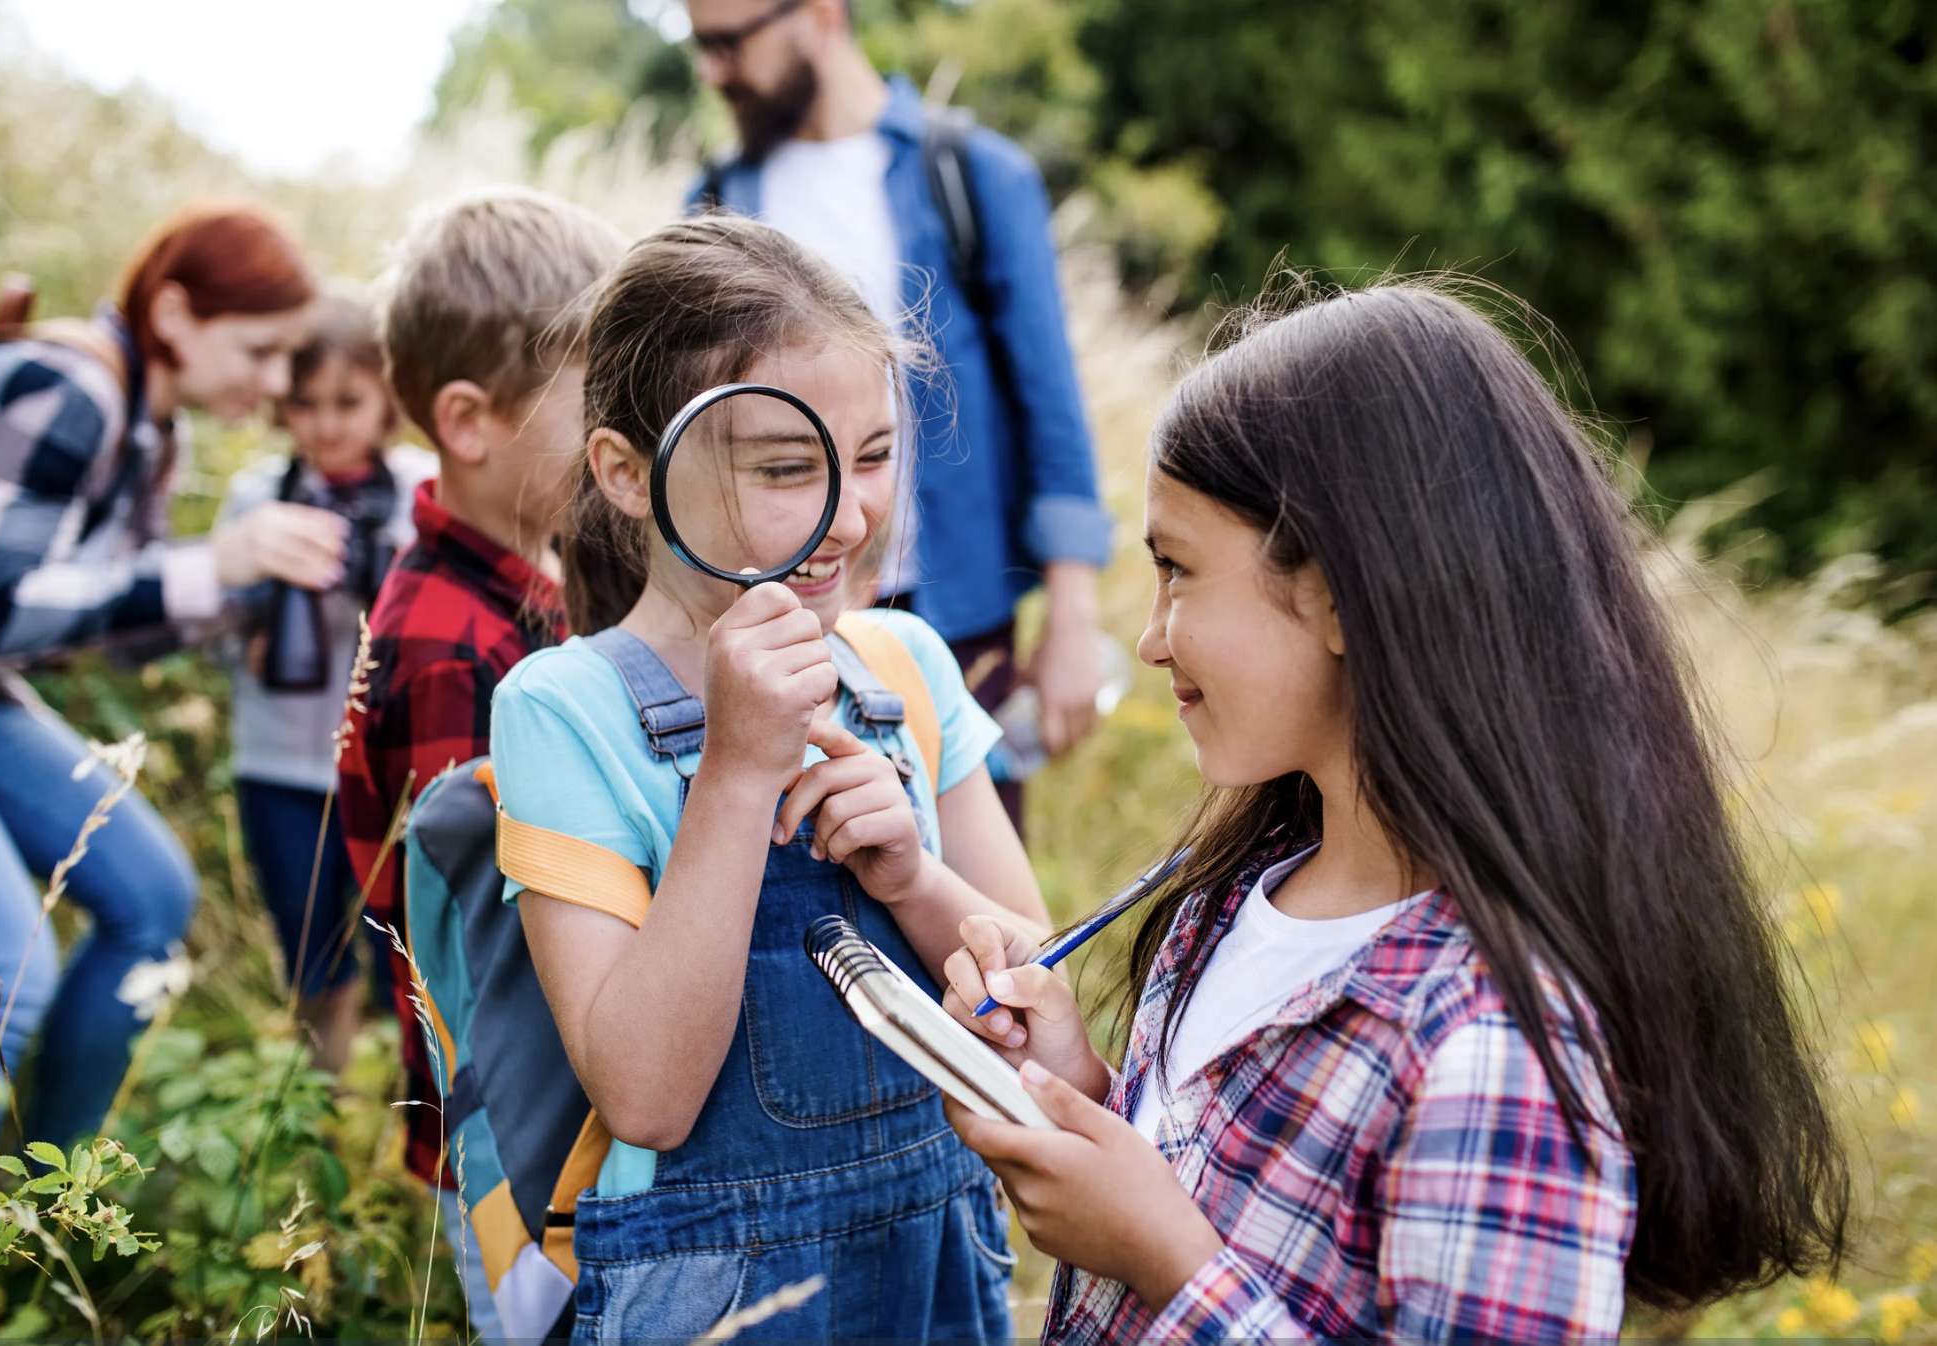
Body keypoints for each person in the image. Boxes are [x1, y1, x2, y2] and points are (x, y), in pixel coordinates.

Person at [940, 282, 1852, 1341]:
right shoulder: (1236, 898)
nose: (1149, 637)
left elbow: (1189, 1243)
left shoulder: (1494, 1044)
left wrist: (1165, 1262)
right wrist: (1081, 1094)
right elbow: (1233, 1189)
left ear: (1332, 590)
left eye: (1177, 571)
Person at [492, 215, 1047, 1341]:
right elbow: (645, 1093)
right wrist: (736, 773)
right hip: (715, 1298)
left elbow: (1031, 1003)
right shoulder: (561, 709)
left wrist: (911, 877)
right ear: (625, 474)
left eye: (879, 454)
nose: (850, 518)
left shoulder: (906, 664)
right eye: (790, 468)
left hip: (938, 1263)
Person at [0, 204, 341, 1155]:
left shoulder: (148, 430)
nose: (274, 381)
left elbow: (106, 630)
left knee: (152, 896)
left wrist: (247, 598)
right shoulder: (75, 388)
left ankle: (42, 1188)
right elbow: (7, 608)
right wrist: (213, 564)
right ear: (174, 315)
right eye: (259, 351)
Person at [684, 0, 1113, 831]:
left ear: (821, 14)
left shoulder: (974, 177)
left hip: (962, 616)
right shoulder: (715, 202)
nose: (713, 70)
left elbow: (1049, 403)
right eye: (700, 46)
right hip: (787, 613)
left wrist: (1072, 614)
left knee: (970, 875)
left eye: (729, 42)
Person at [333, 188, 625, 1340]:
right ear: (469, 421)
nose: (621, 438)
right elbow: (495, 948)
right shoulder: (453, 647)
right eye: (593, 403)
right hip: (521, 1144)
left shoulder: (515, 588)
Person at [217, 290, 434, 1073]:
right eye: (305, 404)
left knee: (406, 960)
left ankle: (415, 1122)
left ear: (387, 400)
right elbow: (213, 624)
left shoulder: (419, 492)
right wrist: (253, 634)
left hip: (388, 769)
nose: (329, 423)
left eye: (349, 401)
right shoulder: (259, 496)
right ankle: (318, 1108)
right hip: (279, 762)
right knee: (312, 952)